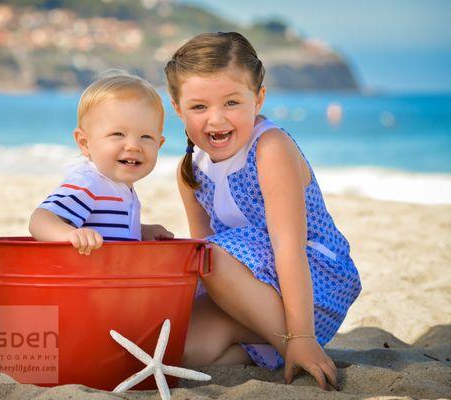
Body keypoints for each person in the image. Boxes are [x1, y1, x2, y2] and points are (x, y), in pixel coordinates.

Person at [164, 32, 361, 390]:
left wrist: (301, 336)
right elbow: (201, 248)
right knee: (186, 351)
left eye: (232, 102)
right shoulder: (190, 169)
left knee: (209, 257)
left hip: (309, 288)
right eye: (199, 107)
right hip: (242, 289)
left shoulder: (270, 147)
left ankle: (294, 346)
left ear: (259, 98)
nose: (216, 119)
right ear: (177, 108)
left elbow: (289, 247)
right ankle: (264, 347)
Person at [29, 73, 173, 254]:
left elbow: (110, 230)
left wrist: (142, 231)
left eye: (146, 137)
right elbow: (41, 219)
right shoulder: (88, 183)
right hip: (84, 278)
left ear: (159, 144)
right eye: (118, 134)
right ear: (84, 143)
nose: (133, 146)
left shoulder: (120, 187)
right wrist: (70, 235)